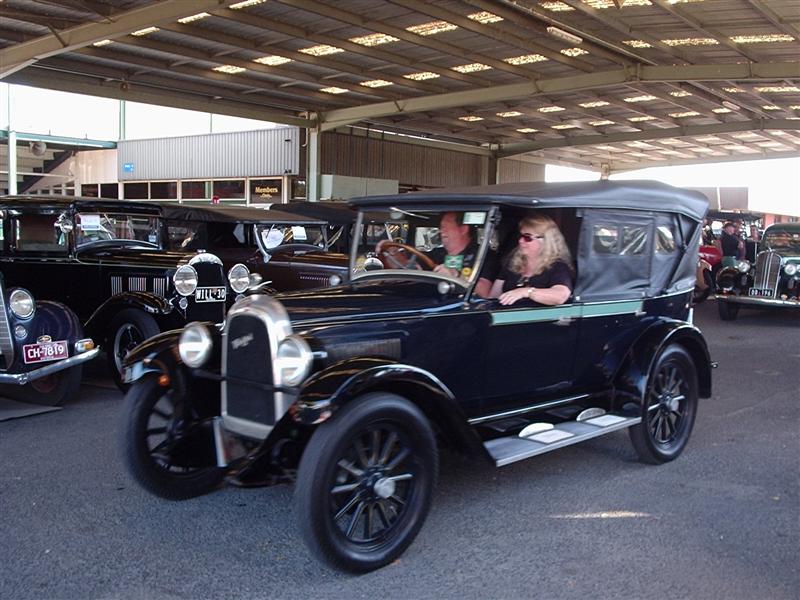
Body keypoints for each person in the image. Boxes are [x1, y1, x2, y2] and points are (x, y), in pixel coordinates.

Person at [376, 212, 498, 297]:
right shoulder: (437, 254)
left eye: (446, 227)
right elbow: (409, 267)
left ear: (463, 229)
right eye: (440, 227)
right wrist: (393, 251)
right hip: (430, 302)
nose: (441, 231)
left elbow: (485, 291)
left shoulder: (483, 255)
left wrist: (457, 275)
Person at [488, 215, 573, 306]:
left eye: (527, 237)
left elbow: (560, 296)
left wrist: (526, 292)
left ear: (546, 241)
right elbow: (493, 297)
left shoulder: (558, 267)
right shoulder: (512, 263)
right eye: (520, 236)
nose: (520, 241)